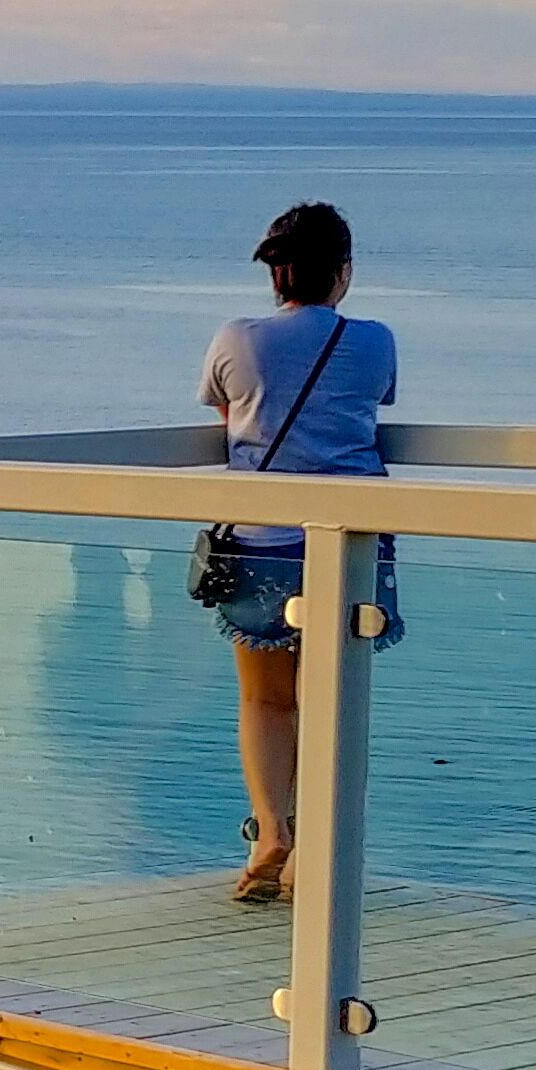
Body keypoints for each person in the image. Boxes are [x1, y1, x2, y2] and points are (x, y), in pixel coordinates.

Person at [199, 201, 398, 905]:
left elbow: (231, 418)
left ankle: (271, 832)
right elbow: (370, 408)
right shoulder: (373, 341)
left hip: (260, 538)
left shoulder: (237, 338)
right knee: (331, 701)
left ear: (275, 275)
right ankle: (315, 848)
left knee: (264, 697)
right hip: (350, 540)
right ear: (342, 273)